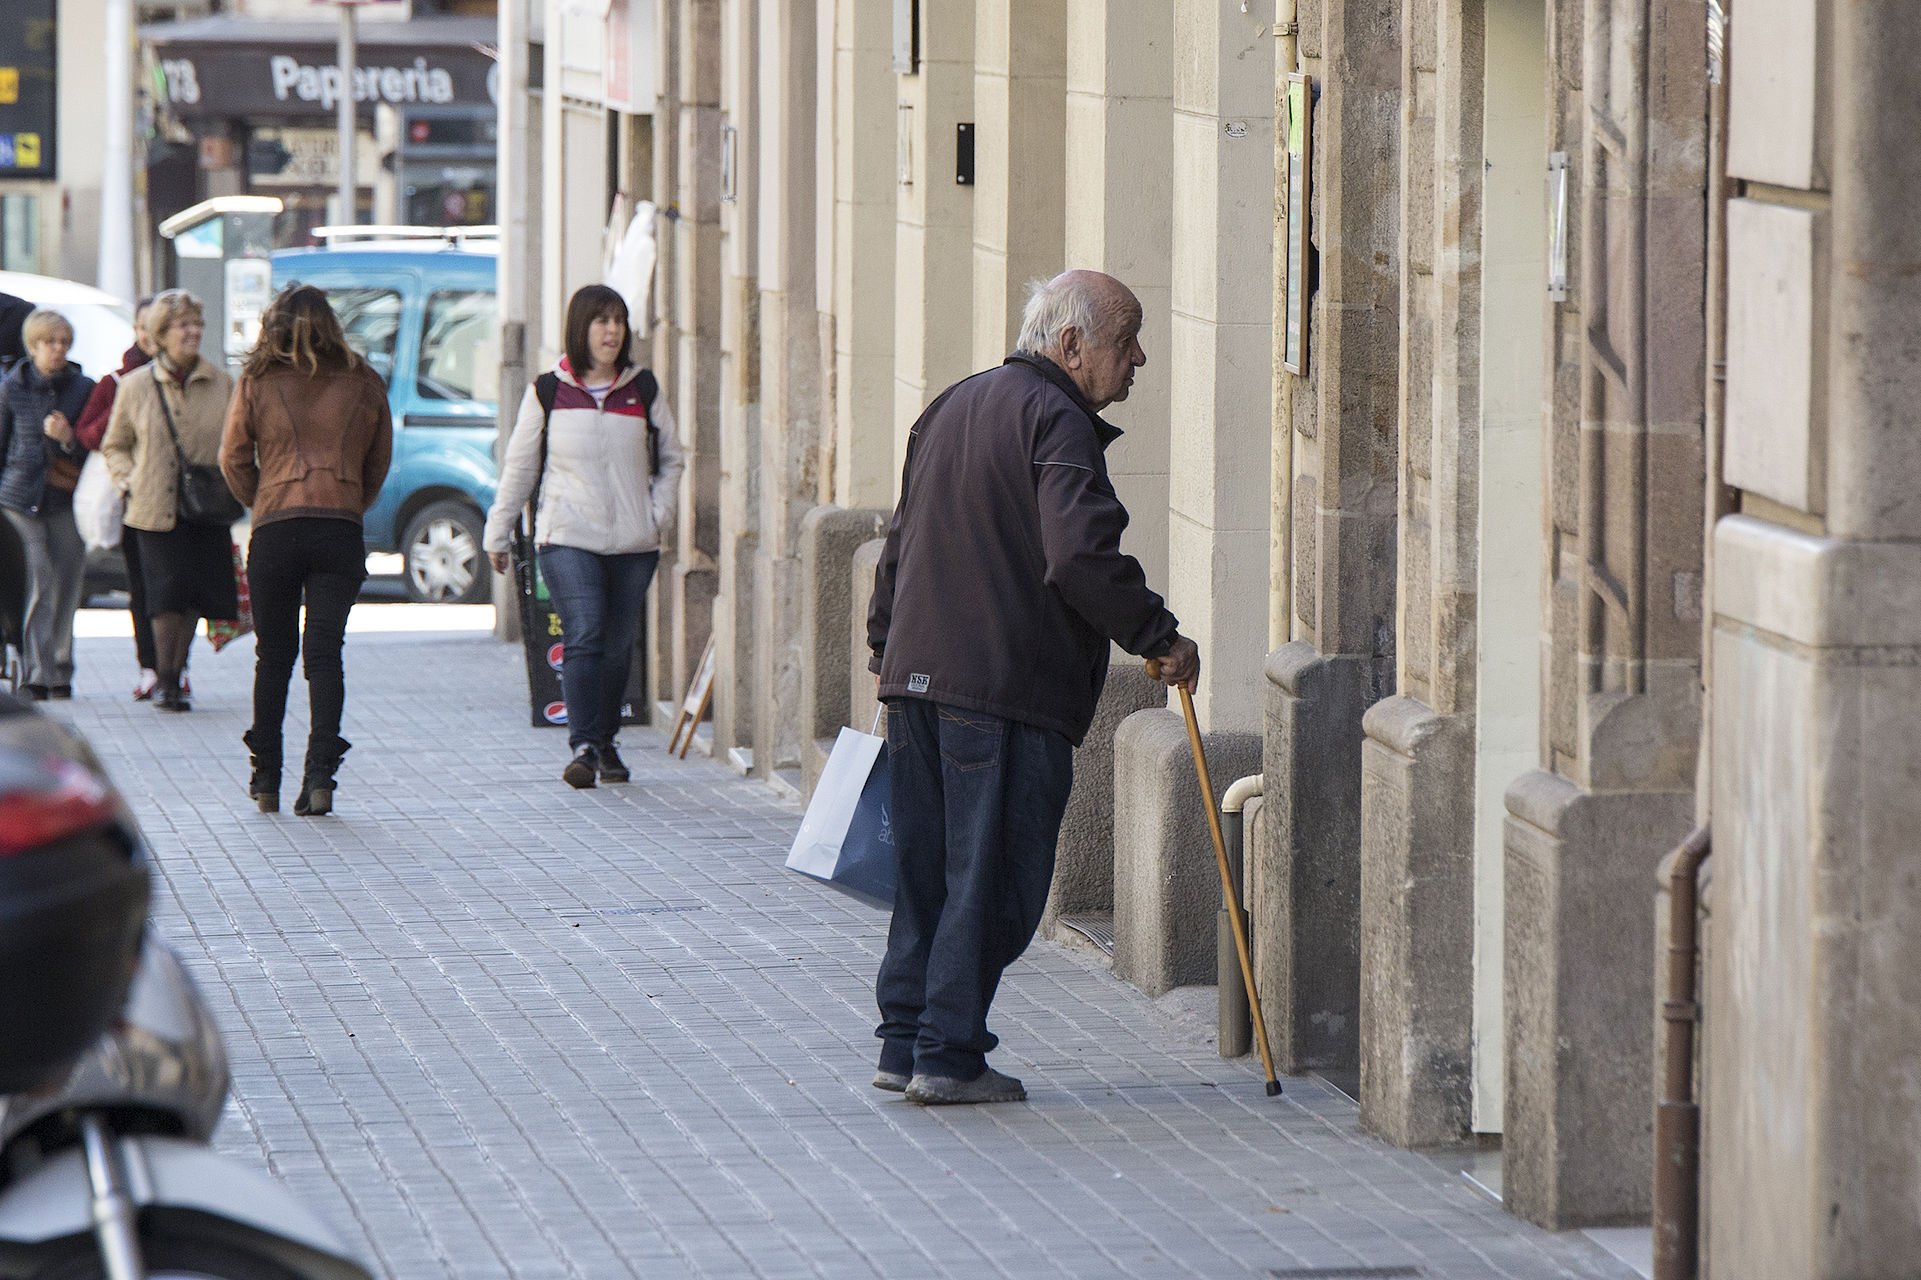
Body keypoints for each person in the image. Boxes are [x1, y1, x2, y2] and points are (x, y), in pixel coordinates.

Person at [866, 269, 1201, 1106]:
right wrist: (1158, 637)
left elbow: (899, 540)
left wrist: (885, 645)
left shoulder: (950, 405)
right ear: (1072, 345)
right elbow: (1077, 556)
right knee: (994, 883)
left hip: (917, 680)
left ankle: (905, 1043)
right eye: (1126, 342)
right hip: (999, 690)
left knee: (928, 875)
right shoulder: (1056, 419)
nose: (1139, 359)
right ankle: (946, 1054)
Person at [483, 284, 684, 789]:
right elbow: (520, 466)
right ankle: (584, 744)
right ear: (581, 328)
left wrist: (657, 515)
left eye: (618, 321)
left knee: (618, 646)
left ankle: (607, 741)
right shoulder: (549, 390)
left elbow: (673, 460)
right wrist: (498, 530)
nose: (612, 330)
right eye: (601, 321)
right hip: (567, 535)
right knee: (587, 630)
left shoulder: (644, 389)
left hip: (634, 544)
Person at [220, 285, 393, 816]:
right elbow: (379, 460)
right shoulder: (364, 380)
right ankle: (320, 777)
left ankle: (265, 779)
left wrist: (266, 500)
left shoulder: (256, 379)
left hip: (276, 527)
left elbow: (232, 457)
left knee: (272, 657)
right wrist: (348, 502)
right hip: (339, 527)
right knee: (325, 654)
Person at [100, 290, 237, 712]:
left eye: (197, 324)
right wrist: (129, 481)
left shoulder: (221, 383)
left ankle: (178, 672)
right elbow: (115, 444)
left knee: (196, 594)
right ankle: (165, 678)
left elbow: (237, 442)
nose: (193, 332)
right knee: (164, 596)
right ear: (161, 333)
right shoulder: (137, 386)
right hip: (152, 509)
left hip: (207, 506)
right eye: (183, 325)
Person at [74, 296, 173, 701]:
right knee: (144, 588)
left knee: (175, 589)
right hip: (135, 498)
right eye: (145, 326)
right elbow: (90, 434)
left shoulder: (185, 377)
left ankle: (175, 667)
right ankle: (152, 667)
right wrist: (124, 410)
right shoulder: (116, 382)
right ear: (137, 330)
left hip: (180, 500)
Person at [0, 310, 96, 699]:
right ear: (33, 345)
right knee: (38, 581)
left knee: (68, 583)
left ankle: (60, 669)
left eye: (64, 342)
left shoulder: (83, 387)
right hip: (19, 498)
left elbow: (92, 447)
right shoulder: (12, 386)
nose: (58, 349)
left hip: (65, 499)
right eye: (50, 342)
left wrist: (67, 437)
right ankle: (38, 672)